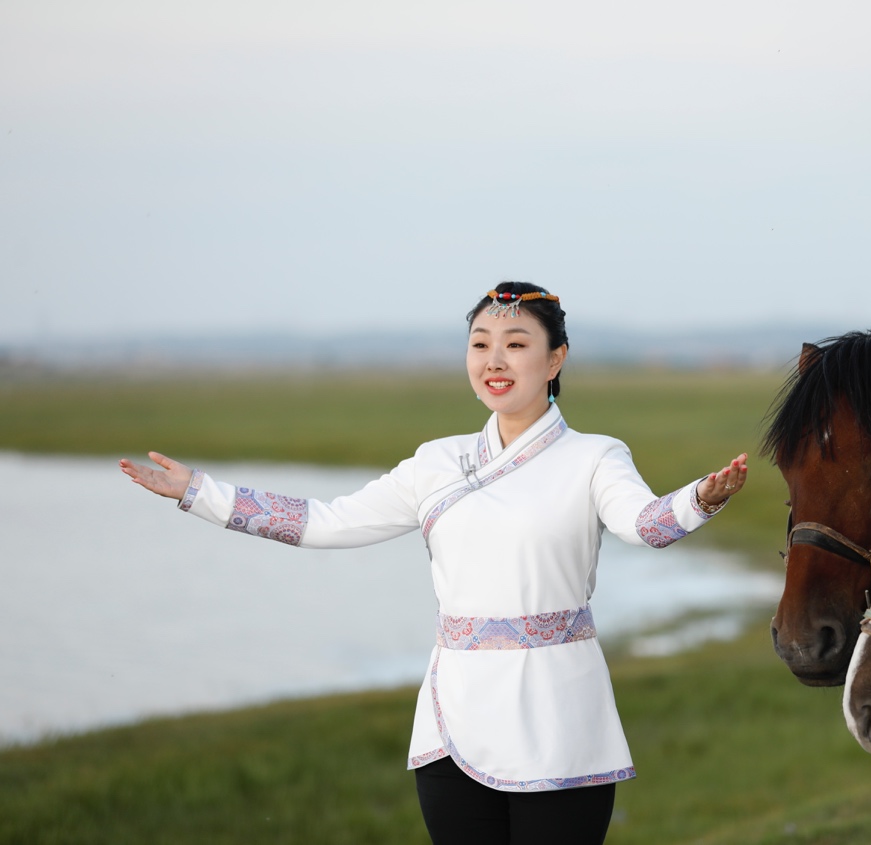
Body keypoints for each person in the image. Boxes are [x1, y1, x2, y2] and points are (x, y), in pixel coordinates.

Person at [119, 281, 748, 845]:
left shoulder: (595, 457)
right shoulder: (435, 462)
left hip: (558, 713)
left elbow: (645, 526)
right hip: (453, 719)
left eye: (516, 344)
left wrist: (700, 499)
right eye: (480, 344)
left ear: (555, 359)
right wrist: (200, 493)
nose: (494, 361)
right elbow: (327, 520)